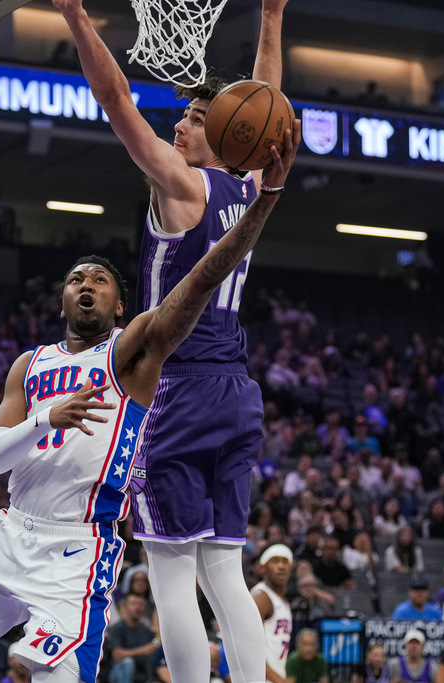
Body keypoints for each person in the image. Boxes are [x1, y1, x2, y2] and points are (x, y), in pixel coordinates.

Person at [0, 121, 299, 683]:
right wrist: (44, 419)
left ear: (121, 305)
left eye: (100, 279)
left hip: (77, 548)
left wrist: (266, 200)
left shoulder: (130, 354)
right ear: (60, 301)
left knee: (62, 665)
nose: (86, 283)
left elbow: (199, 283)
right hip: (10, 531)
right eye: (76, 278)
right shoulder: (28, 366)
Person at [53, 0, 290, 679]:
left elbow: (114, 97)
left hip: (175, 389)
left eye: (191, 117)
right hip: (237, 391)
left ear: (222, 130)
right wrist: (270, 18)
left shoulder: (181, 184)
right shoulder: (248, 187)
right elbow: (266, 101)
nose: (179, 123)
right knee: (224, 568)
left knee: (170, 569)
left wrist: (74, 16)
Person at [252, 545, 294, 683]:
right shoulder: (261, 597)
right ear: (263, 567)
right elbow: (247, 646)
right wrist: (279, 680)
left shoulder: (283, 602)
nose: (281, 566)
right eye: (275, 561)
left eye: (285, 561)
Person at [105, 594, 158, 683]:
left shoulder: (146, 630)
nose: (137, 607)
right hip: (116, 671)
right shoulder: (117, 628)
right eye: (133, 604)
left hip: (140, 672)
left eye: (140, 604)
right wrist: (142, 650)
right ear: (125, 607)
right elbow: (116, 655)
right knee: (128, 663)